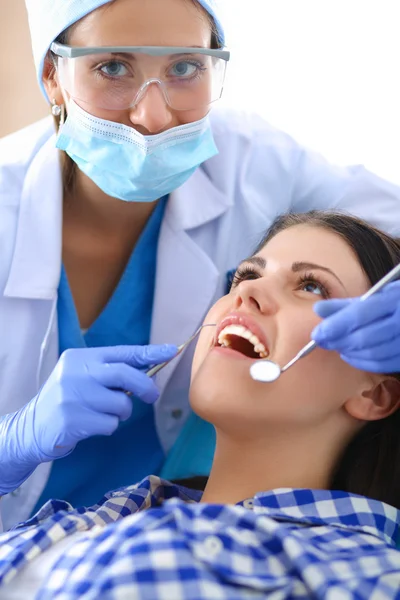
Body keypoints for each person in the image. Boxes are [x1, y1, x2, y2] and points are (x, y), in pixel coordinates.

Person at [1, 0, 400, 532]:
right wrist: (14, 444)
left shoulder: (252, 161)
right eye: (112, 67)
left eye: (185, 67)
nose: (153, 116)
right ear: (53, 75)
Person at [1, 210, 400, 599]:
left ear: (374, 394)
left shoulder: (369, 572)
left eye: (311, 286)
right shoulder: (115, 512)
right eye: (247, 275)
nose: (247, 291)